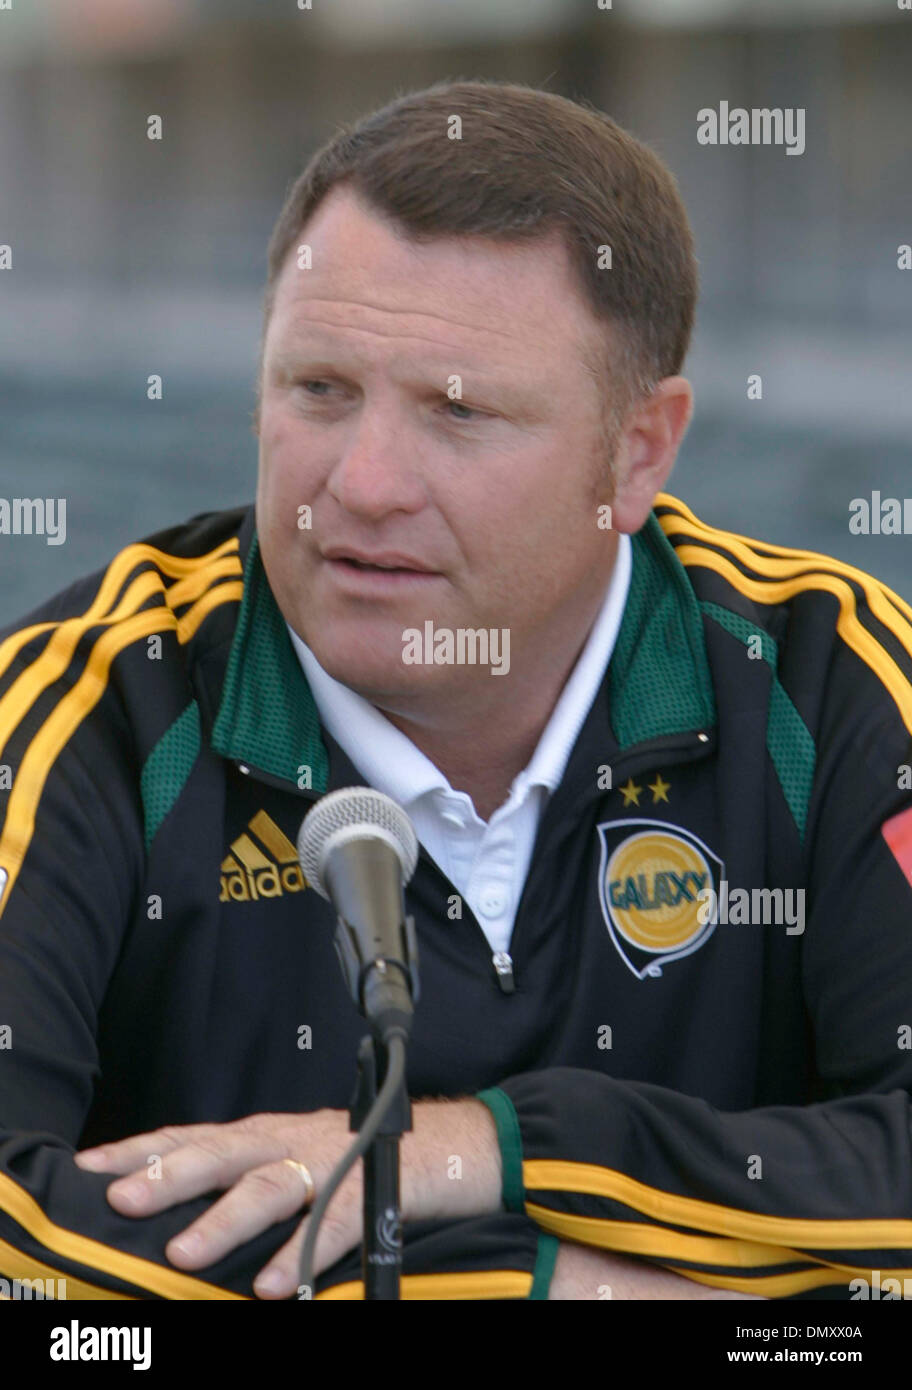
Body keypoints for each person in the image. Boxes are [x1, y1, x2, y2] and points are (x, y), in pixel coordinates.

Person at [1, 79, 911, 1303]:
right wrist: (560, 1284)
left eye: (459, 410)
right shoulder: (88, 703)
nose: (364, 482)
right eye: (318, 389)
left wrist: (481, 1151)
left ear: (637, 452)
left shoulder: (831, 675)